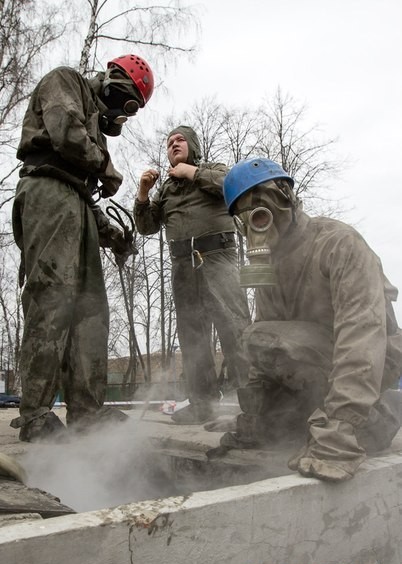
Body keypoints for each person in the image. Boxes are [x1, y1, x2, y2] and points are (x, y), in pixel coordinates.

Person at [207, 157, 402, 482]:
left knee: (344, 436)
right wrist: (256, 415)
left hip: (374, 357)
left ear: (287, 197)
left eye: (263, 206)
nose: (258, 221)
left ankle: (384, 410)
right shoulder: (269, 267)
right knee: (277, 419)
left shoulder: (338, 243)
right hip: (316, 363)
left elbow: (362, 335)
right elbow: (264, 345)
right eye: (246, 216)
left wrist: (340, 433)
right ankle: (322, 415)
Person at [11, 54, 154, 442]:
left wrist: (115, 236)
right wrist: (106, 169)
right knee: (52, 298)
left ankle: (88, 413)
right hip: (47, 188)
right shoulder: (66, 81)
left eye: (132, 111)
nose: (123, 116)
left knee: (91, 311)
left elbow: (89, 200)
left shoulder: (95, 142)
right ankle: (36, 415)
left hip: (74, 198)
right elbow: (64, 132)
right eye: (126, 103)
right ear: (112, 80)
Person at [134, 125, 251, 424]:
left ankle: (255, 400)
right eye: (169, 142)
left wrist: (191, 172)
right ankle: (202, 404)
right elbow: (147, 226)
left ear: (193, 145)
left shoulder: (212, 170)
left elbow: (232, 184)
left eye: (180, 140)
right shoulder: (166, 189)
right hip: (183, 264)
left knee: (234, 326)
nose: (173, 145)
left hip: (217, 257)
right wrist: (143, 194)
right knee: (192, 336)